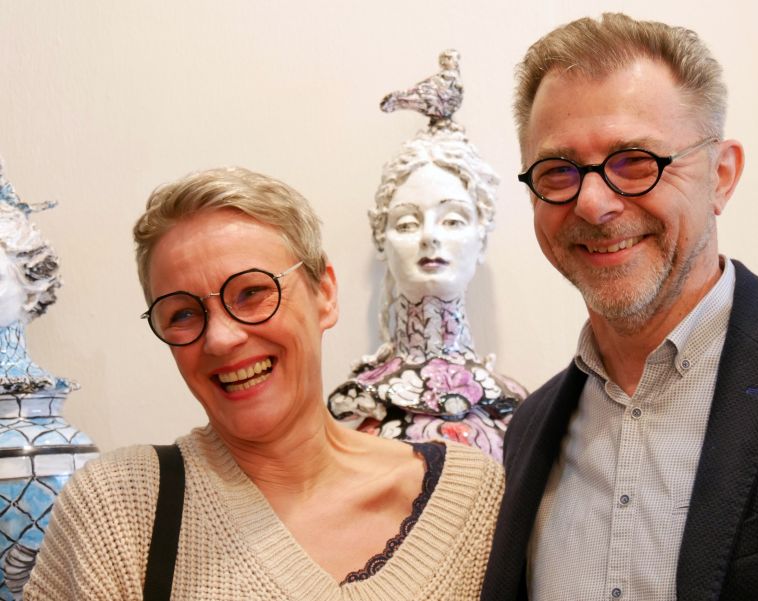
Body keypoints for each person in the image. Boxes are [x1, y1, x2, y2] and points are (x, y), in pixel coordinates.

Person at [482, 12, 758, 601]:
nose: (593, 203)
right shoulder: (529, 429)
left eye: (635, 161)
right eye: (558, 172)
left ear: (721, 176)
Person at [24, 167, 503, 600]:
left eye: (252, 292)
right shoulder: (118, 512)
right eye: (183, 314)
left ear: (325, 294)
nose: (221, 338)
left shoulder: (474, 501)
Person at [328, 56, 525, 462]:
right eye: (406, 223)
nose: (430, 237)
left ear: (481, 237)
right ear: (380, 237)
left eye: (453, 220)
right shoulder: (362, 408)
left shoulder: (516, 411)